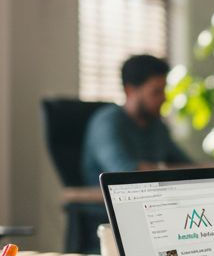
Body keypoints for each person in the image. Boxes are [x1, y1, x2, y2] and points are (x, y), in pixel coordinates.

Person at [81, 54, 191, 185]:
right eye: (156, 92)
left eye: (164, 91)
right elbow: (126, 174)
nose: (164, 98)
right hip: (107, 203)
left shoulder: (157, 125)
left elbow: (187, 165)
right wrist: (173, 171)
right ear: (130, 91)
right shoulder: (107, 123)